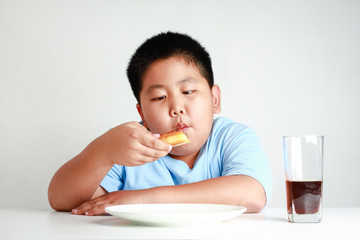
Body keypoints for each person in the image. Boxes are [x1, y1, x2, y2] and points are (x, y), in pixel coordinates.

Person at [48, 32, 272, 215]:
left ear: (215, 99)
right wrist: (102, 152)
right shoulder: (126, 144)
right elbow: (60, 199)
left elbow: (251, 194)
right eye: (159, 97)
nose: (176, 107)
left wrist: (144, 199)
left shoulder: (231, 137)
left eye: (188, 91)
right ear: (142, 113)